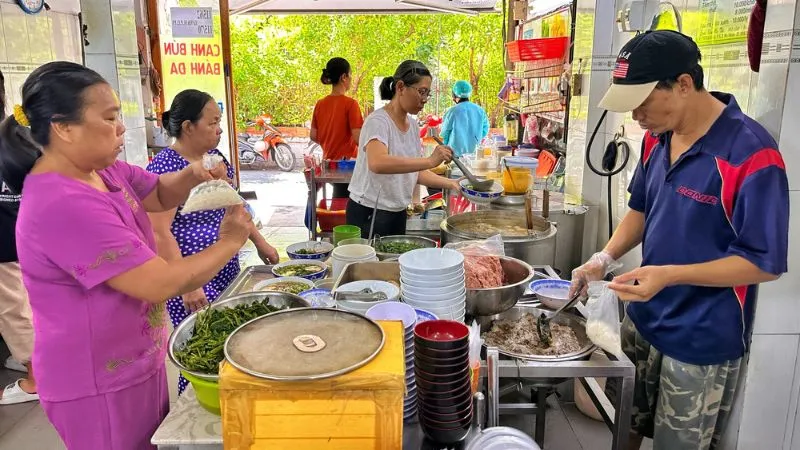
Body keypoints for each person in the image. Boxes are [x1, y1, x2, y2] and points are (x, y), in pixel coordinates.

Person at [0, 61, 253, 449]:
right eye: (110, 117)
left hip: (136, 359)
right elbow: (158, 283)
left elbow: (158, 194)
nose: (121, 127)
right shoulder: (61, 202)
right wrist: (231, 241)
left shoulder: (103, 170)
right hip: (94, 380)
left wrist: (193, 173)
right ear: (63, 127)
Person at [571, 31, 789, 450]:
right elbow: (641, 208)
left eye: (642, 102)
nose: (635, 117)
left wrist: (670, 275)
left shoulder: (751, 154)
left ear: (684, 84)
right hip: (644, 316)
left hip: (701, 338)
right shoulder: (658, 138)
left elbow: (764, 263)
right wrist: (604, 257)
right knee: (624, 425)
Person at [147, 89, 279, 394]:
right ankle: (194, 414)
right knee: (198, 352)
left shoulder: (217, 160)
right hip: (188, 274)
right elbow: (159, 232)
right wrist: (188, 285)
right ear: (188, 127)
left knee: (230, 340)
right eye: (212, 122)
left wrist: (259, 241)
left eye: (219, 122)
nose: (219, 129)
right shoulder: (165, 168)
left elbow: (235, 206)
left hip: (225, 265)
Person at [346, 60, 459, 238]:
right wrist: (430, 160)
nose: (424, 99)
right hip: (369, 211)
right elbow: (377, 163)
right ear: (400, 87)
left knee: (394, 264)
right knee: (371, 265)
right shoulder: (378, 122)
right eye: (421, 91)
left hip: (397, 211)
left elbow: (415, 172)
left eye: (427, 94)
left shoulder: (413, 126)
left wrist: (453, 184)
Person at [0, 68, 38, 406]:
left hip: (4, 245)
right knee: (25, 307)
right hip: (25, 240)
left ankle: (35, 377)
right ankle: (29, 357)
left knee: (14, 311)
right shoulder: (15, 135)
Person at [311, 57, 364, 198]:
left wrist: (330, 141)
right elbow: (359, 138)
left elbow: (313, 136)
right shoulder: (350, 104)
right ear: (343, 77)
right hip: (347, 167)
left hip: (328, 165)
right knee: (347, 209)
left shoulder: (320, 104)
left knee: (337, 202)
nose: (351, 79)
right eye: (350, 75)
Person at [440, 80, 490, 158]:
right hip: (475, 155)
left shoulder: (452, 111)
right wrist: (475, 139)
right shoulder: (480, 110)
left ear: (454, 95)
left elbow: (445, 132)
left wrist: (446, 145)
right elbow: (485, 130)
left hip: (455, 155)